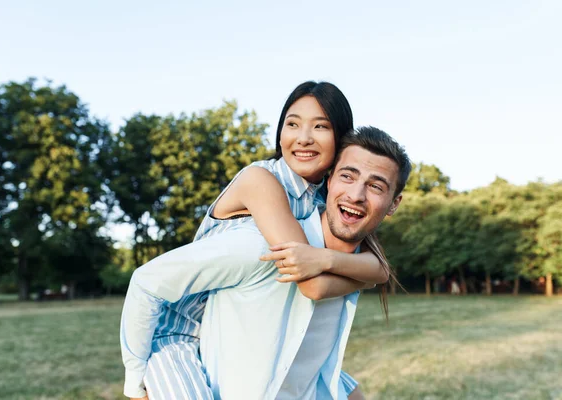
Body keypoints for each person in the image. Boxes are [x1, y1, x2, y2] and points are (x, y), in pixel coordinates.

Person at [121, 82, 392, 399]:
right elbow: (313, 285)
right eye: (292, 124)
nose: (303, 137)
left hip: (241, 335)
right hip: (180, 335)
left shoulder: (329, 196)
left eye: (320, 126)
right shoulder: (261, 181)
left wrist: (335, 263)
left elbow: (380, 268)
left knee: (335, 384)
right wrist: (135, 379)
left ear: (341, 140)